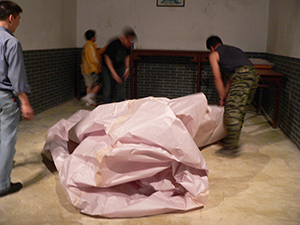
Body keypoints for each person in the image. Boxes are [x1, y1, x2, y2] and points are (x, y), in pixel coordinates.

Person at [0, 0, 34, 197]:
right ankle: (2, 185)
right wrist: (25, 102)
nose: (18, 23)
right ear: (11, 17)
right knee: (6, 140)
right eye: (19, 19)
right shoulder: (11, 42)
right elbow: (16, 77)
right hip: (5, 97)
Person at [206, 35, 260, 154]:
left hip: (242, 76)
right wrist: (225, 96)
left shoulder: (214, 54)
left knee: (232, 111)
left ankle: (231, 147)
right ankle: (231, 139)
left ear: (211, 47)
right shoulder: (235, 50)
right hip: (254, 76)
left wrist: (221, 97)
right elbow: (231, 79)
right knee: (240, 110)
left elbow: (217, 77)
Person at [102, 27, 137, 103]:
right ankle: (106, 106)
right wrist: (113, 73)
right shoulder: (115, 43)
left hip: (119, 66)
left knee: (120, 84)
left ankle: (119, 104)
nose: (130, 43)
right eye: (130, 40)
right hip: (107, 67)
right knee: (107, 87)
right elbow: (107, 58)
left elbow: (127, 57)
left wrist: (127, 69)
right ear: (126, 38)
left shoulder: (128, 46)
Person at [81, 29, 103, 106]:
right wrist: (99, 65)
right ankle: (89, 98)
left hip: (85, 68)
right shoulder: (90, 46)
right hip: (90, 68)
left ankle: (90, 101)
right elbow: (93, 58)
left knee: (89, 85)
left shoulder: (86, 46)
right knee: (97, 84)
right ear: (92, 37)